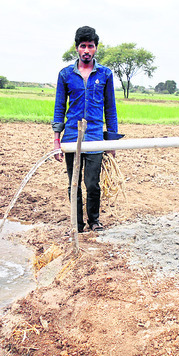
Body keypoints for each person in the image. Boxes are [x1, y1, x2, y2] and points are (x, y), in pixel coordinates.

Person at [52, 26, 119, 233]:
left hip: (95, 137)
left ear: (96, 48)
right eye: (83, 46)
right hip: (72, 136)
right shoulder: (65, 75)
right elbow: (59, 108)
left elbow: (110, 109)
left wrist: (112, 142)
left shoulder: (105, 74)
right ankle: (77, 223)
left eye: (91, 46)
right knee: (74, 183)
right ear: (77, 48)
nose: (87, 50)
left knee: (92, 184)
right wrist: (56, 141)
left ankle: (94, 220)